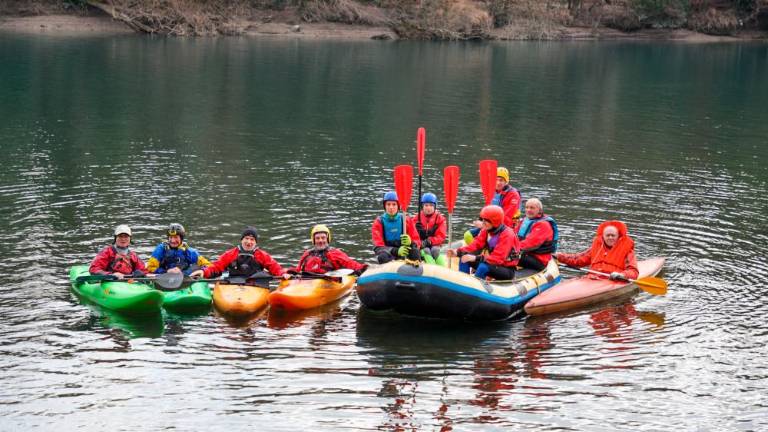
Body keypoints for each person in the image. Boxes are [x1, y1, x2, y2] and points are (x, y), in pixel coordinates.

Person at [446, 205, 521, 280]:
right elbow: (475, 245)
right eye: (483, 219)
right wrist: (458, 252)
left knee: (483, 267)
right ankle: (463, 283)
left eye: (486, 220)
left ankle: (474, 287)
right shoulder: (486, 230)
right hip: (491, 264)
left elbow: (497, 259)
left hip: (506, 269)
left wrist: (475, 258)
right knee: (464, 259)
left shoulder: (507, 234)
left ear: (495, 221)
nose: (483, 222)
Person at [189, 226, 287, 281]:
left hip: (255, 284)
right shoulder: (231, 254)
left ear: (255, 242)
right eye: (246, 239)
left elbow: (275, 267)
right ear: (241, 240)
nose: (249, 242)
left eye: (252, 239)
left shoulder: (261, 255)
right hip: (233, 283)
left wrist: (283, 274)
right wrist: (203, 272)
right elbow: (217, 267)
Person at [555, 220, 639, 281]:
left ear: (618, 236)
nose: (610, 238)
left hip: (612, 280)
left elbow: (633, 271)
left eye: (613, 235)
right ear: (603, 236)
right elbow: (577, 259)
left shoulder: (627, 251)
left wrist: (622, 275)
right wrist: (559, 256)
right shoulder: (596, 248)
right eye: (608, 235)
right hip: (592, 279)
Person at [464, 167, 522, 244]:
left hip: (506, 228)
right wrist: (481, 220)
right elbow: (487, 210)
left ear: (506, 181)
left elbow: (506, 218)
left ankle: (482, 252)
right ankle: (476, 252)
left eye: (501, 180)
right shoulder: (492, 192)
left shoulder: (513, 195)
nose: (498, 183)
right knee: (468, 235)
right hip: (491, 225)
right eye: (496, 180)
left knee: (491, 241)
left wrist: (484, 225)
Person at [289, 224, 368, 276]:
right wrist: (289, 272)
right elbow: (298, 269)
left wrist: (363, 269)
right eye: (317, 238)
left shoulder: (335, 253)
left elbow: (350, 264)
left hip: (327, 283)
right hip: (308, 282)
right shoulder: (307, 254)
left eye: (323, 238)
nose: (320, 241)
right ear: (313, 240)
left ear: (327, 239)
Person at [371, 191, 422, 264]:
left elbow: (418, 242)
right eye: (388, 204)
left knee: (415, 251)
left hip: (404, 253)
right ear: (385, 206)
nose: (391, 207)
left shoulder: (406, 220)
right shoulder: (378, 222)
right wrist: (396, 251)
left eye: (394, 204)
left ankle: (416, 270)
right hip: (389, 254)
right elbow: (378, 247)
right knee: (382, 256)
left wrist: (411, 242)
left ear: (398, 206)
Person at [146, 223, 211, 276]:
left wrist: (200, 271)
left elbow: (208, 265)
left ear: (181, 238)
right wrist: (167, 271)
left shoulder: (189, 252)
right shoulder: (160, 249)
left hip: (183, 279)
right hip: (164, 278)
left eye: (176, 237)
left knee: (195, 268)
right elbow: (150, 268)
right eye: (170, 237)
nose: (173, 240)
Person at [516, 198, 559, 271]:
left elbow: (530, 244)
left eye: (532, 208)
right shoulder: (525, 220)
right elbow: (512, 235)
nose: (528, 210)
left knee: (507, 256)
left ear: (539, 210)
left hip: (539, 260)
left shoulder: (543, 225)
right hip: (526, 254)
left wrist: (510, 249)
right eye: (527, 207)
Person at [414, 193, 447, 265]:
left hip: (435, 244)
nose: (428, 208)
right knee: (426, 251)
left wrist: (430, 241)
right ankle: (432, 268)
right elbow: (411, 234)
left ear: (435, 206)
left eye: (431, 205)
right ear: (422, 206)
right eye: (426, 205)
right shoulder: (417, 218)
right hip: (422, 245)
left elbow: (441, 236)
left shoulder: (440, 219)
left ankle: (443, 268)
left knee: (435, 250)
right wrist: (415, 228)